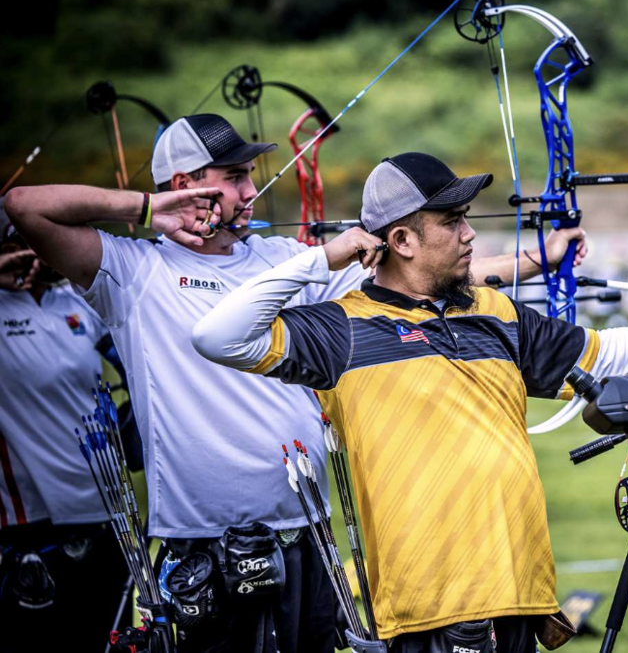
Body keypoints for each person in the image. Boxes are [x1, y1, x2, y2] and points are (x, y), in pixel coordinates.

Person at [2, 116, 585, 652]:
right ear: (185, 182)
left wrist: (541, 255)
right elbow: (25, 205)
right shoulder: (130, 271)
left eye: (249, 174)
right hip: (204, 542)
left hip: (306, 534)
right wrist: (151, 208)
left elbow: (417, 278)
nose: (250, 190)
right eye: (233, 178)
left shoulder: (279, 257)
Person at [190, 152, 628, 651]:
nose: (469, 232)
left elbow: (602, 352)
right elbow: (218, 336)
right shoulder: (340, 329)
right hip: (430, 603)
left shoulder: (493, 311)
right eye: (451, 220)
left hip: (517, 590)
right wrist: (326, 257)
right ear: (400, 239)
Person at [0, 200, 132, 650]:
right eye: (24, 243)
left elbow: (136, 357)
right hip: (30, 522)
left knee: (112, 637)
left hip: (105, 506)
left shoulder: (73, 299)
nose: (38, 255)